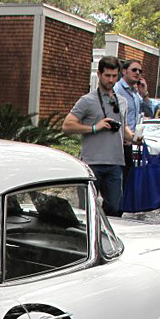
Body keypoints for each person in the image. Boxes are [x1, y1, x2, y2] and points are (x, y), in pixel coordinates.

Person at [63, 56, 135, 217]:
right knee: (87, 212)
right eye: (107, 76)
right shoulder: (87, 100)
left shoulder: (122, 101)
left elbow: (123, 128)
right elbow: (67, 126)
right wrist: (95, 127)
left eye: (114, 76)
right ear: (99, 74)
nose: (111, 80)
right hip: (92, 163)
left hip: (115, 163)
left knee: (115, 209)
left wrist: (134, 137)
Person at [116, 59, 154, 198]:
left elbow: (150, 112)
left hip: (130, 144)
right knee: (117, 186)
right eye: (134, 70)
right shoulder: (117, 90)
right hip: (118, 144)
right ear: (124, 71)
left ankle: (119, 213)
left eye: (140, 71)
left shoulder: (135, 94)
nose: (137, 73)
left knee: (126, 185)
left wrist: (144, 94)